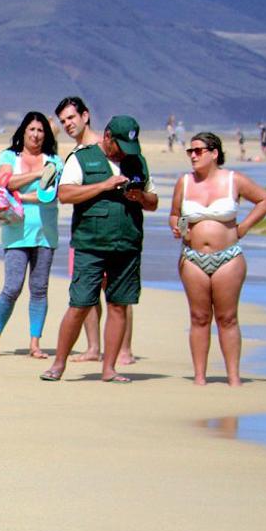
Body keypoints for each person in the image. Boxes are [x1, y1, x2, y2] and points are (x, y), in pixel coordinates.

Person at [41, 115, 158, 382]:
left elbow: (154, 202)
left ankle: (110, 368)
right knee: (80, 303)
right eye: (119, 146)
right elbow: (66, 193)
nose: (124, 153)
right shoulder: (82, 158)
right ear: (107, 137)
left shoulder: (137, 161)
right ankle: (58, 364)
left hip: (127, 244)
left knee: (119, 305)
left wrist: (140, 196)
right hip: (90, 244)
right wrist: (103, 186)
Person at [170, 132, 266, 386]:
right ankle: (200, 377)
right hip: (193, 259)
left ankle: (234, 378)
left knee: (227, 318)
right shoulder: (184, 182)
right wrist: (178, 228)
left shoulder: (233, 180)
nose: (193, 155)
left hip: (228, 258)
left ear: (214, 153)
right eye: (190, 152)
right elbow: (174, 214)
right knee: (199, 317)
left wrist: (243, 227)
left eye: (198, 151)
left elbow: (264, 200)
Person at [0, 112, 61, 359]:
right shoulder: (9, 156)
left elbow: (48, 196)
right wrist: (37, 175)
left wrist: (18, 195)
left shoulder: (55, 161)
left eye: (41, 131)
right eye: (32, 130)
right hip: (16, 233)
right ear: (23, 132)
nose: (36, 135)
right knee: (12, 287)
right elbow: (3, 181)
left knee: (39, 289)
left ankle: (35, 343)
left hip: (45, 234)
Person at [52, 96, 115, 362]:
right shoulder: (75, 157)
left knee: (116, 292)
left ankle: (123, 349)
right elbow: (65, 195)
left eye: (71, 118)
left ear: (85, 116)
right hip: (86, 233)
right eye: (63, 120)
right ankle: (93, 347)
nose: (67, 124)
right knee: (86, 292)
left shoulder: (110, 147)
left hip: (115, 231)